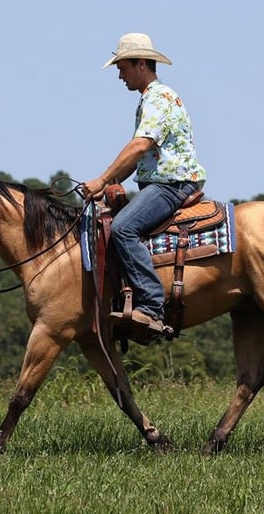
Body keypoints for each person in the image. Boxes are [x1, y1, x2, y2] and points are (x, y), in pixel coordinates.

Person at [83, 33, 206, 336]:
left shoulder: (157, 98)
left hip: (172, 185)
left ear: (141, 63)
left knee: (123, 228)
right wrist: (108, 183)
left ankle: (151, 306)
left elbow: (140, 146)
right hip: (162, 183)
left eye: (122, 68)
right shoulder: (152, 98)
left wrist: (102, 179)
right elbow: (142, 154)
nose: (120, 76)